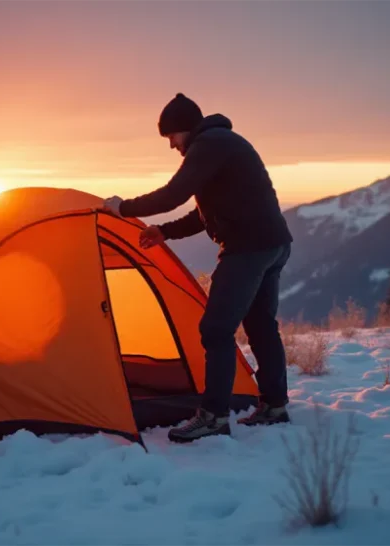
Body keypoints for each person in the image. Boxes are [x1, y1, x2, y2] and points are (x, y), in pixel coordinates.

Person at [103, 92, 294, 443]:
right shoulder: (223, 144)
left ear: (183, 129)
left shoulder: (208, 144)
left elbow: (172, 194)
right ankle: (275, 406)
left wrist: (123, 208)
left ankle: (213, 417)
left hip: (249, 248)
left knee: (216, 330)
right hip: (274, 244)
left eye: (171, 137)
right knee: (262, 327)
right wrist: (166, 232)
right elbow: (206, 211)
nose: (172, 145)